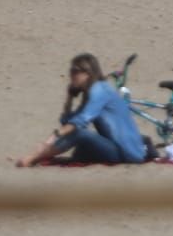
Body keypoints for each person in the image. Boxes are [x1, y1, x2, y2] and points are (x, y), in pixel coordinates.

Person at [15, 55, 148, 167]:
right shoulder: (92, 92)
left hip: (126, 153)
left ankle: (34, 157)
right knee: (79, 150)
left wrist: (51, 139)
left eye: (75, 71)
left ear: (88, 73)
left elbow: (79, 122)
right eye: (71, 71)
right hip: (118, 147)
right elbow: (67, 121)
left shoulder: (99, 91)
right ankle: (39, 155)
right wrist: (70, 97)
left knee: (79, 134)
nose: (71, 74)